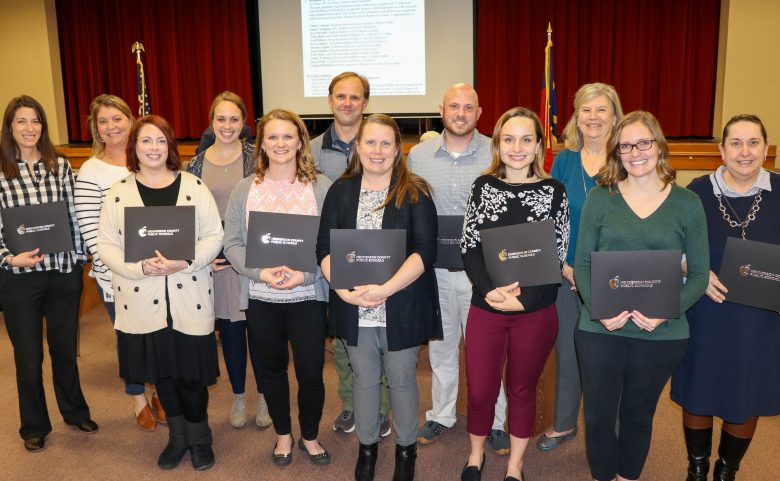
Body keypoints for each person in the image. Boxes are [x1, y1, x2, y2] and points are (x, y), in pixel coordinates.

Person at [573, 111, 709, 481]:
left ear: (659, 146)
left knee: (638, 414)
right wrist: (599, 311)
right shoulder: (601, 199)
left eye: (643, 142)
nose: (635, 152)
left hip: (661, 334)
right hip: (600, 329)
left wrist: (668, 312)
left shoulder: (687, 204)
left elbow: (699, 275)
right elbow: (582, 266)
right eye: (626, 145)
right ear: (617, 152)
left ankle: (627, 477)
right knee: (598, 417)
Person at [317, 114, 441, 481]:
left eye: (386, 143)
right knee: (364, 377)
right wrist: (343, 290)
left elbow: (425, 252)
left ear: (397, 150)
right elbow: (324, 247)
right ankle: (367, 447)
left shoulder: (415, 190)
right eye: (370, 142)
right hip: (353, 303)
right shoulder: (341, 191)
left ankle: (406, 451)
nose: (377, 150)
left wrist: (386, 289)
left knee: (402, 378)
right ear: (357, 146)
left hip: (399, 303)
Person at [97, 115, 222, 470]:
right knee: (163, 375)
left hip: (189, 296)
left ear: (170, 146)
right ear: (134, 147)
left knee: (191, 376)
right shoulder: (119, 192)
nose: (153, 148)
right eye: (146, 141)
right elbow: (105, 245)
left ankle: (200, 437)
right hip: (141, 297)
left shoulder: (193, 187)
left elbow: (214, 236)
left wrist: (185, 262)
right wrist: (138, 268)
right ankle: (178, 437)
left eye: (160, 141)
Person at [459, 107, 569, 481]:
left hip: (534, 311)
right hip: (487, 307)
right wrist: (489, 291)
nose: (517, 147)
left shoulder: (554, 191)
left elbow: (556, 253)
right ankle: (475, 456)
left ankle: (514, 466)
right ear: (498, 144)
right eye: (509, 139)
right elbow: (469, 247)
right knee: (480, 390)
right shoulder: (483, 186)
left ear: (539, 144)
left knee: (522, 388)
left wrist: (523, 301)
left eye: (526, 139)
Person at [671, 114, 780, 481]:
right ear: (721, 149)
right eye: (735, 143)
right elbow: (673, 246)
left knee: (744, 397)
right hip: (706, 312)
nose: (744, 152)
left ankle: (726, 470)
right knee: (698, 392)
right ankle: (697, 468)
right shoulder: (696, 192)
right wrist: (693, 273)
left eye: (753, 143)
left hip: (759, 320)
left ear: (767, 149)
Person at [223, 108, 332, 467]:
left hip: (307, 297)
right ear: (262, 144)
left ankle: (311, 435)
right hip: (262, 298)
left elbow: (331, 244)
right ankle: (283, 435)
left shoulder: (321, 185)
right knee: (271, 370)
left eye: (288, 136)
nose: (281, 143)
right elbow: (233, 244)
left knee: (311, 372)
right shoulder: (245, 188)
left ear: (300, 141)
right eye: (272, 137)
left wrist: (308, 276)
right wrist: (259, 273)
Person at [409, 83, 510, 453]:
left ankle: (497, 423)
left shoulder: (496, 154)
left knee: (487, 351)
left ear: (479, 113)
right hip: (434, 273)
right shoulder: (417, 157)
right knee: (441, 349)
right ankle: (442, 414)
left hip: (482, 275)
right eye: (454, 106)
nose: (461, 113)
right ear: (442, 110)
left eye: (469, 107)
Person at [0, 95, 97, 453]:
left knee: (64, 349)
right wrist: (10, 258)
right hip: (19, 277)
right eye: (21, 121)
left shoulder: (59, 165)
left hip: (61, 272)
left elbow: (74, 215)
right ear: (9, 127)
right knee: (27, 356)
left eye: (36, 121)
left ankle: (74, 411)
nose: (29, 128)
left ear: (43, 126)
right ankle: (34, 425)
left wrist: (80, 256)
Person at [538, 83, 623, 451]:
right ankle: (564, 423)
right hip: (567, 273)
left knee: (610, 351)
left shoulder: (627, 157)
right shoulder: (564, 160)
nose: (592, 117)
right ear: (576, 116)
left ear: (615, 116)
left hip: (614, 274)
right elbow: (552, 218)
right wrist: (564, 266)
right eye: (585, 110)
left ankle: (611, 426)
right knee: (568, 347)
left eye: (601, 110)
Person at [74, 94, 167, 431]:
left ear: (131, 120)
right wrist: (117, 268)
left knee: (158, 332)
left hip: (158, 269)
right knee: (129, 337)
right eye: (103, 121)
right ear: (95, 129)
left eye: (117, 118)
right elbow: (89, 229)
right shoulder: (91, 170)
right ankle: (138, 398)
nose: (111, 126)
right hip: (117, 275)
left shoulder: (147, 159)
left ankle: (158, 389)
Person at [310, 71, 391, 437]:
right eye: (340, 97)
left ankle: (383, 407)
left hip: (381, 259)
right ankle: (351, 403)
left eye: (355, 97)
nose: (347, 103)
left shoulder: (380, 143)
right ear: (329, 101)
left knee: (385, 338)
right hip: (332, 260)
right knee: (344, 340)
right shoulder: (309, 151)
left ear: (366, 102)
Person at [186, 91, 271, 430]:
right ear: (211, 122)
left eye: (234, 119)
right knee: (232, 334)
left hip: (254, 260)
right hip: (217, 265)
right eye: (221, 119)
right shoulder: (195, 163)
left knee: (261, 332)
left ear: (244, 123)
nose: (227, 125)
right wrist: (204, 254)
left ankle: (264, 395)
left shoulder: (258, 157)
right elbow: (189, 215)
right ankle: (239, 396)